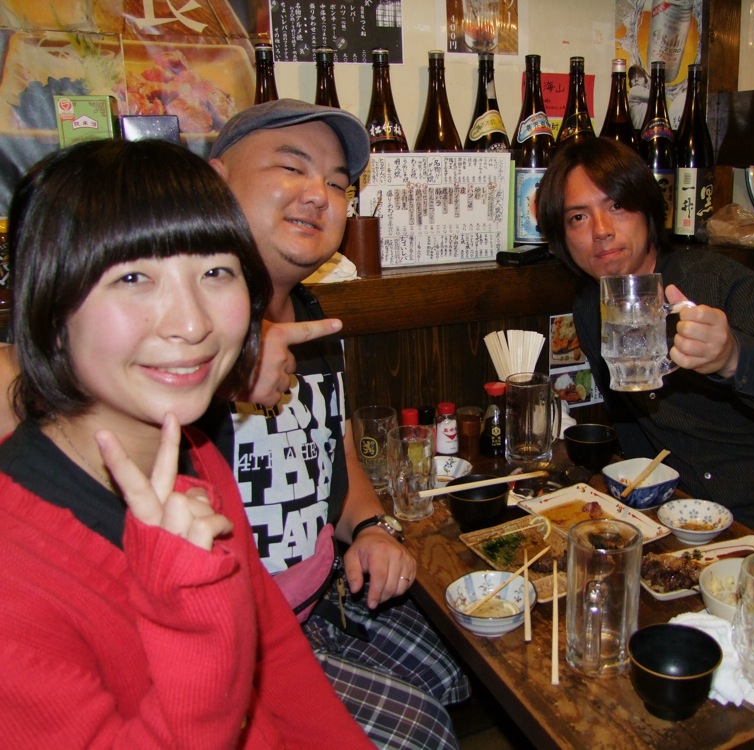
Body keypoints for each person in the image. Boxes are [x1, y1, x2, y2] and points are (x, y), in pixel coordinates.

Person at [0, 138, 373, 748]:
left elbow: (275, 654)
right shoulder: (15, 575)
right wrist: (193, 608)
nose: (193, 323)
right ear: (50, 307)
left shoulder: (193, 455)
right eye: (133, 277)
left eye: (216, 272)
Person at [201, 99, 469, 749]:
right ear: (215, 181)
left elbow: (337, 457)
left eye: (337, 183)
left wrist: (372, 528)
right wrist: (220, 368)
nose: (318, 194)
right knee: (422, 732)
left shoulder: (314, 320)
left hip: (316, 596)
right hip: (227, 640)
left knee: (462, 660)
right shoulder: (180, 324)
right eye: (292, 168)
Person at [536, 138, 754, 591]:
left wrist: (732, 356)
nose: (600, 230)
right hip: (704, 532)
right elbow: (632, 421)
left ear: (647, 211)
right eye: (578, 217)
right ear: (563, 238)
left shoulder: (718, 281)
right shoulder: (592, 308)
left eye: (617, 206)